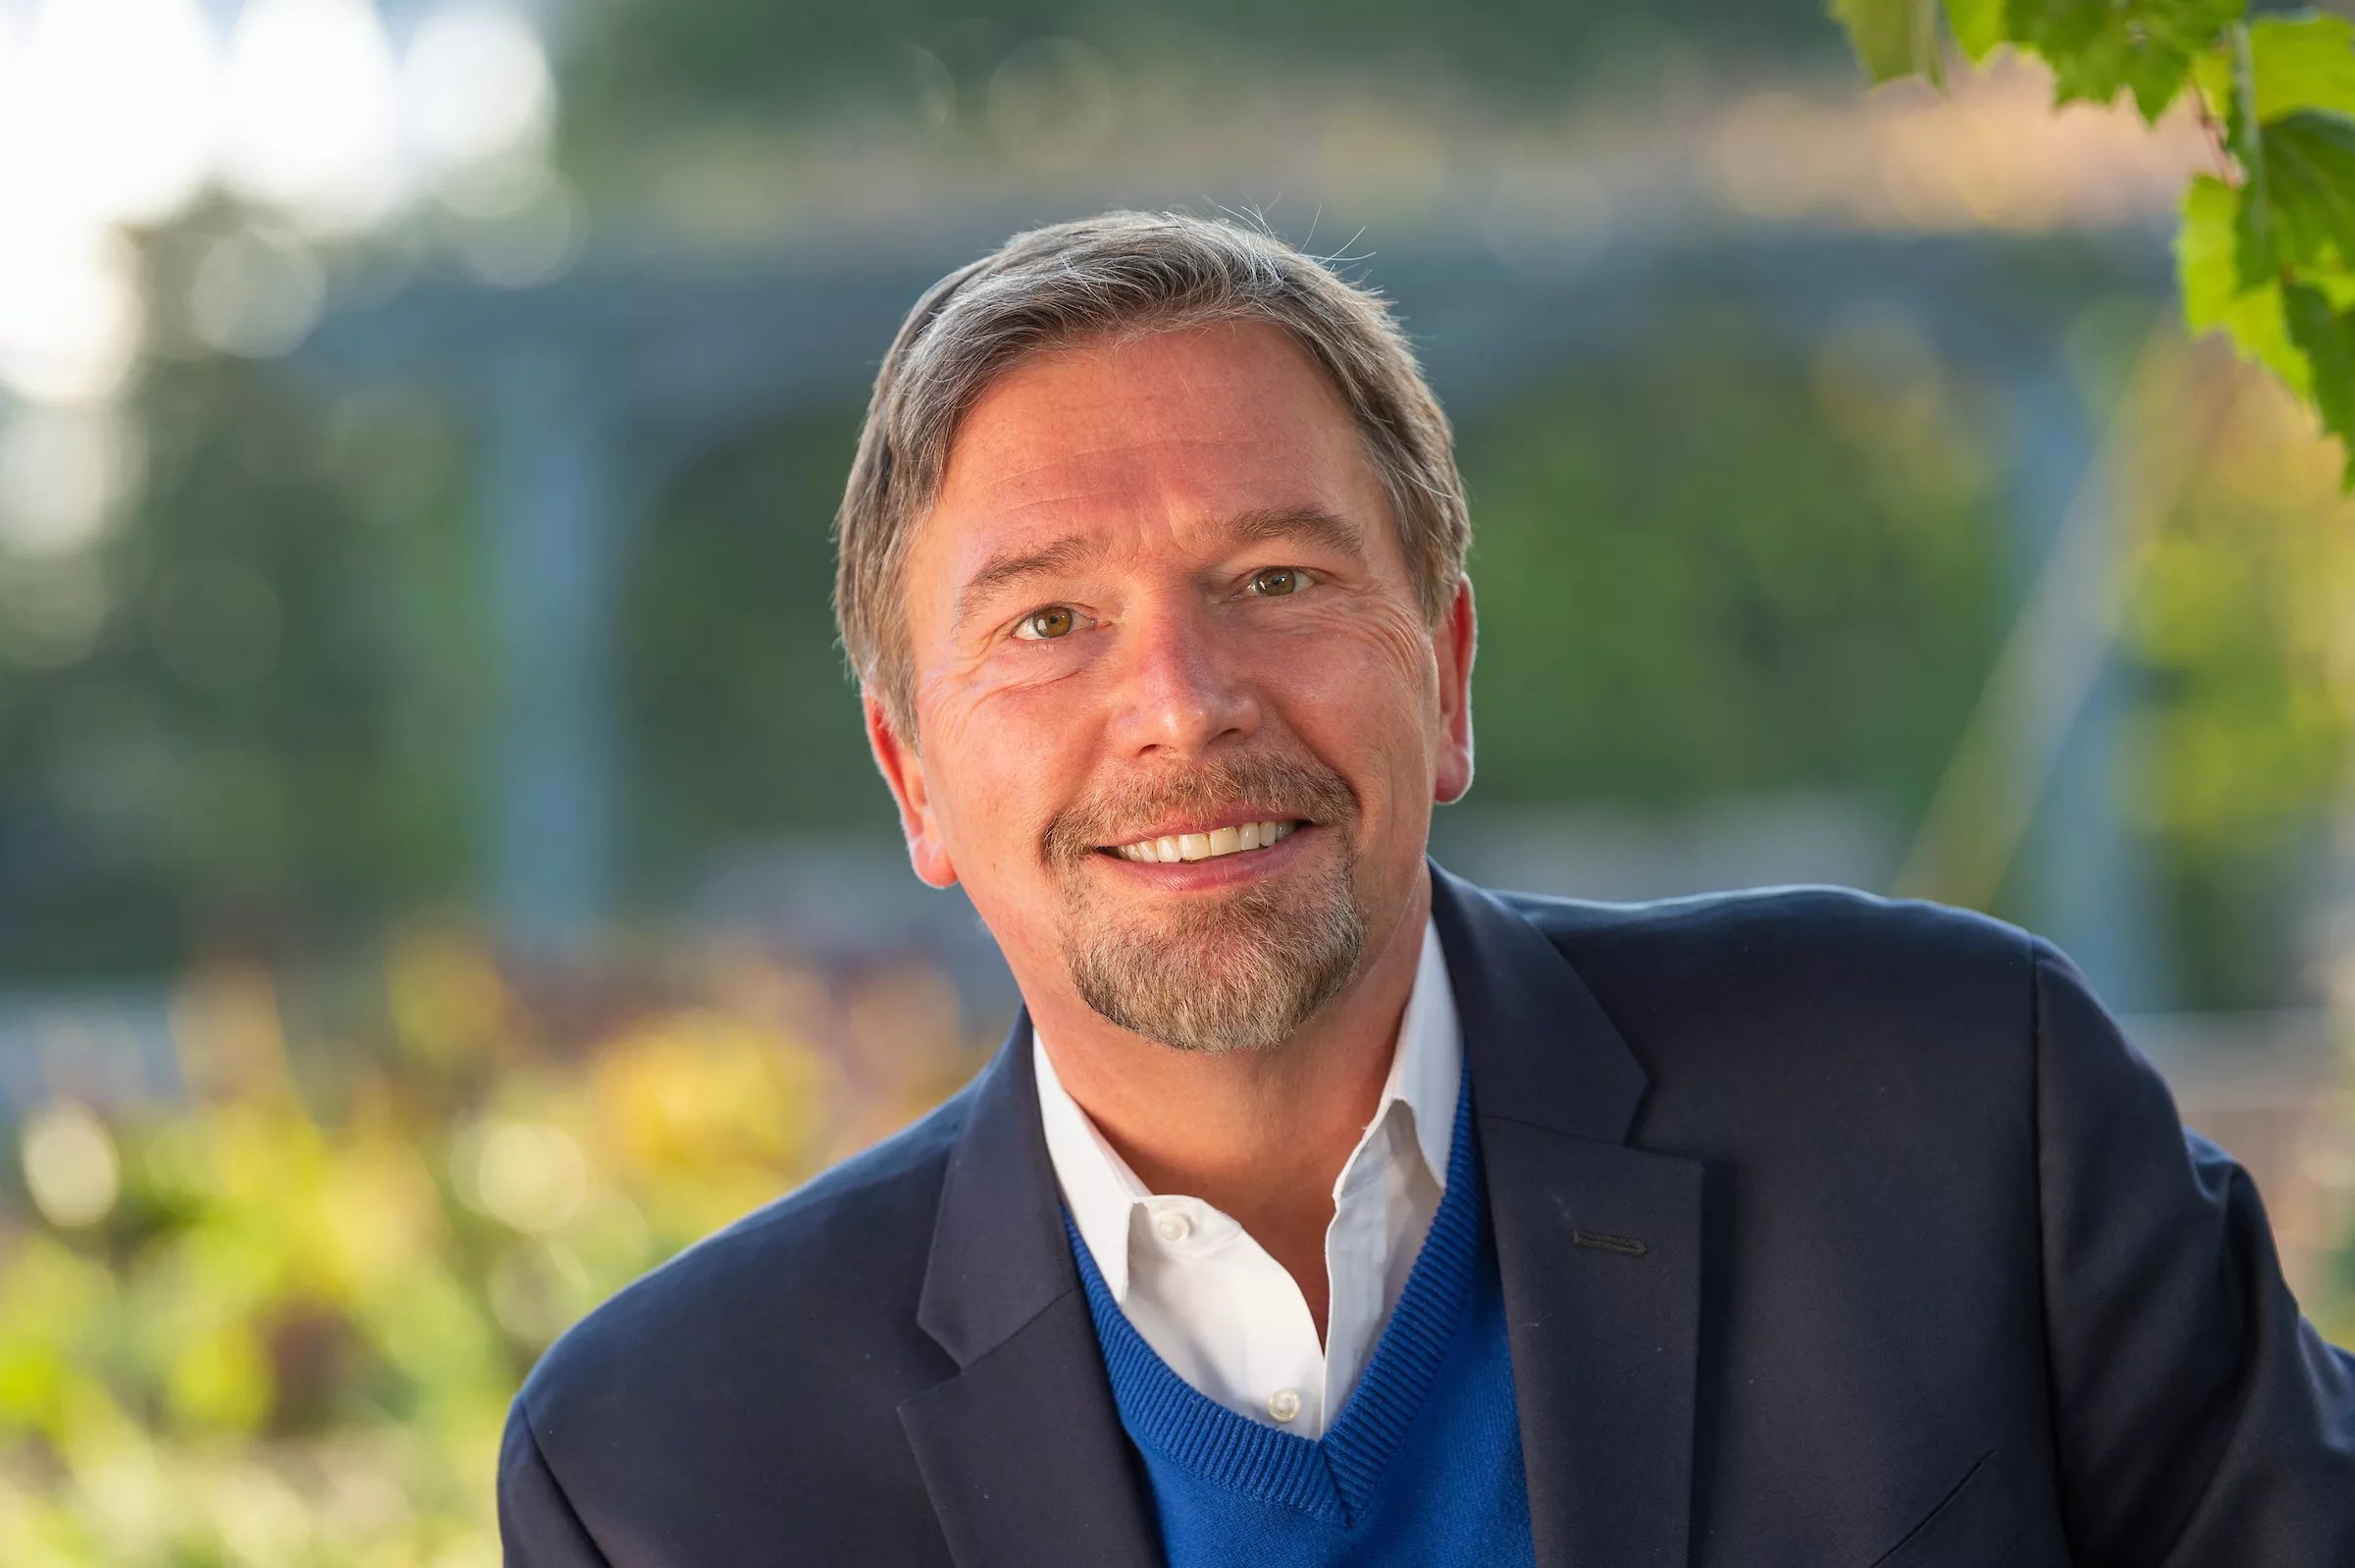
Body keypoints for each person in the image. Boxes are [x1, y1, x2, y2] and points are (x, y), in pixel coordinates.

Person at [497, 212, 2355, 1567]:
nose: (1182, 704)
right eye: (1049, 622)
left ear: (1449, 675)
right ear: (916, 781)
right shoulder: (667, 1470)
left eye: (1280, 579)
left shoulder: (1956, 1104)